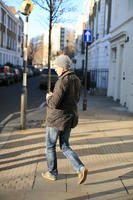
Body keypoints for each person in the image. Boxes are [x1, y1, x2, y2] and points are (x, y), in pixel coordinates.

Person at [42, 55, 88, 184]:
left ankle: (52, 173)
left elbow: (54, 103)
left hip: (56, 119)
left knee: (50, 146)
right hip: (69, 118)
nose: (55, 69)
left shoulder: (62, 81)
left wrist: (48, 97)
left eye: (56, 67)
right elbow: (75, 99)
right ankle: (80, 168)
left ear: (62, 67)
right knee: (65, 146)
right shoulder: (77, 80)